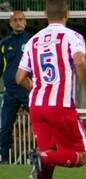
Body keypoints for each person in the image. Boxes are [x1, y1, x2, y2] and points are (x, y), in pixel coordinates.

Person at [15, 0, 86, 178]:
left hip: (36, 106)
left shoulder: (32, 41)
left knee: (49, 161)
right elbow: (80, 62)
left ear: (45, 15)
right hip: (61, 106)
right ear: (67, 14)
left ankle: (42, 157)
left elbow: (19, 77)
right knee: (82, 155)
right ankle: (41, 156)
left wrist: (36, 88)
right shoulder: (72, 36)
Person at [0, 11, 31, 164]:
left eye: (21, 19)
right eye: (15, 20)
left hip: (29, 90)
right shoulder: (4, 44)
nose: (18, 22)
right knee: (4, 126)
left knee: (41, 122)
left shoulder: (32, 41)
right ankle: (4, 159)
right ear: (10, 23)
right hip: (10, 92)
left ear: (25, 22)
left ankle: (47, 154)